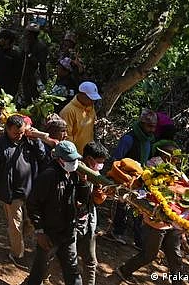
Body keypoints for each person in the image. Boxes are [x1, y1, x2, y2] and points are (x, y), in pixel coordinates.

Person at [0, 114, 46, 269]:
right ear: (8, 129)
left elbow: (42, 157)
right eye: (16, 133)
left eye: (22, 132)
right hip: (10, 194)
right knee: (15, 225)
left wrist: (37, 141)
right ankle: (17, 254)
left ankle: (17, 241)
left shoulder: (28, 141)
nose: (19, 136)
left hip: (30, 192)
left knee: (31, 223)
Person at [22, 141, 88, 285]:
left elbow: (82, 200)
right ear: (59, 160)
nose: (74, 163)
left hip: (69, 232)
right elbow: (33, 204)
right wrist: (39, 231)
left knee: (73, 271)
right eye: (70, 160)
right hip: (50, 233)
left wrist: (83, 183)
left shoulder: (75, 175)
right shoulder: (48, 176)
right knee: (40, 269)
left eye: (75, 159)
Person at [106, 111, 158, 247]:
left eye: (154, 126)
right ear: (142, 124)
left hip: (141, 180)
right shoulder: (128, 139)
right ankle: (117, 232)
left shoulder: (149, 140)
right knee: (122, 205)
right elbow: (116, 159)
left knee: (139, 209)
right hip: (126, 179)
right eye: (149, 126)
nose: (152, 130)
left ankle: (138, 239)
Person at [76, 142, 108, 285]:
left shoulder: (97, 176)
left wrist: (99, 190)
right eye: (99, 162)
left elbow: (98, 201)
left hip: (88, 223)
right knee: (56, 255)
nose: (100, 165)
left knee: (90, 262)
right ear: (89, 159)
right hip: (71, 223)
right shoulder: (75, 170)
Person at [59, 81, 101, 153]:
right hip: (76, 154)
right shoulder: (68, 111)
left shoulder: (90, 107)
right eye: (90, 98)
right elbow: (66, 137)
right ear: (82, 95)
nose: (93, 101)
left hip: (88, 153)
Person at [0, 29, 23, 98]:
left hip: (8, 87)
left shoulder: (15, 54)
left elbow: (17, 75)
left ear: (7, 40)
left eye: (1, 38)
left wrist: (13, 91)